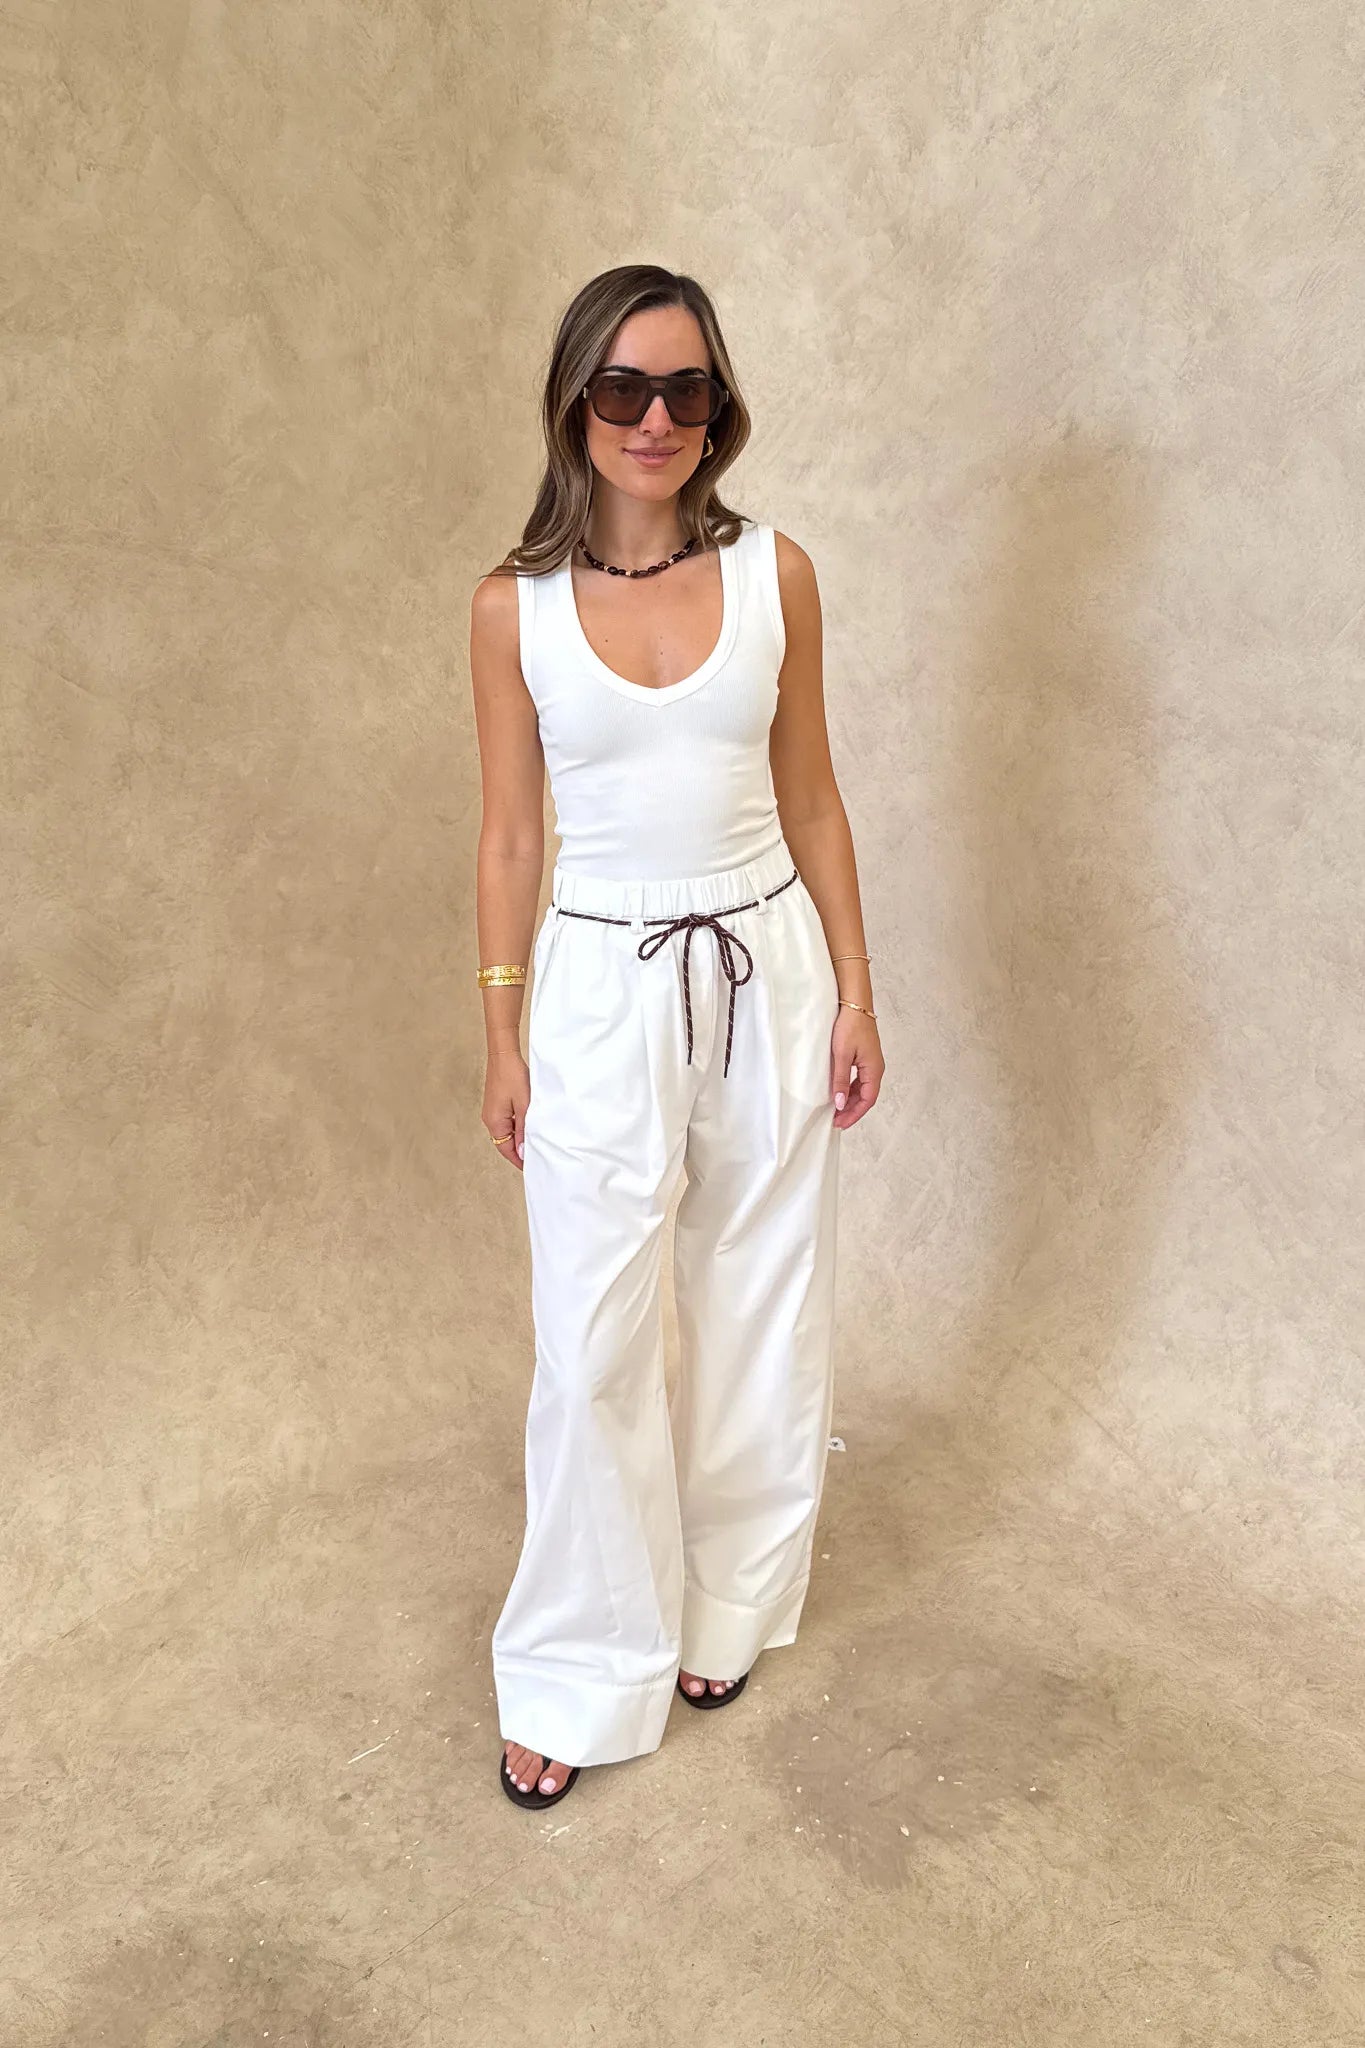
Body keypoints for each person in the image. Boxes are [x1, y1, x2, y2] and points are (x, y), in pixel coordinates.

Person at [468, 264, 884, 1810]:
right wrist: (503, 1031)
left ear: (719, 408)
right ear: (574, 402)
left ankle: (729, 1602)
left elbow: (813, 798)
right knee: (591, 1343)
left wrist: (855, 990)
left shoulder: (778, 575)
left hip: (766, 962)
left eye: (685, 389)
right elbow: (511, 837)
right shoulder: (510, 609)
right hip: (596, 979)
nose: (654, 418)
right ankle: (581, 1666)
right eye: (623, 388)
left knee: (759, 1295)